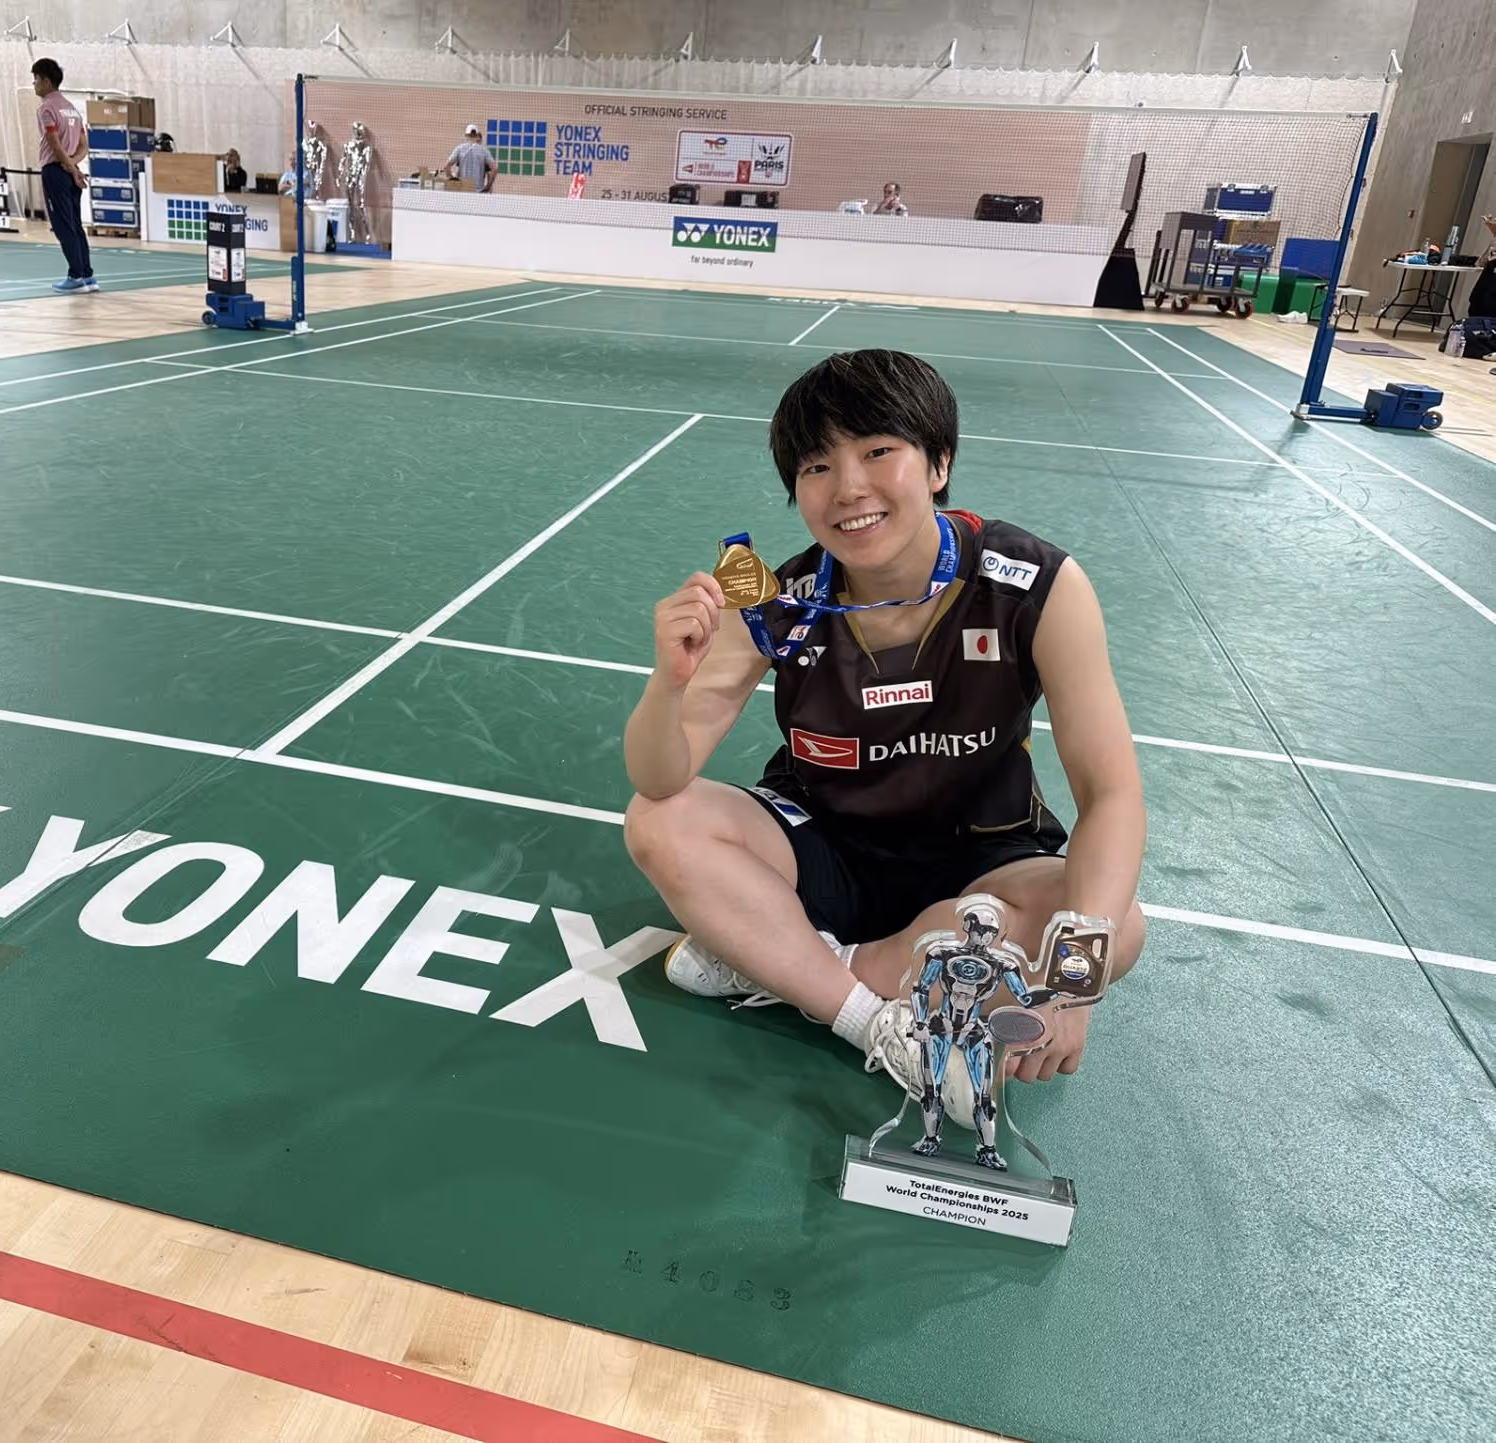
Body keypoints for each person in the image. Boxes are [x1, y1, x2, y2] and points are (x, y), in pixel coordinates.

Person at [623, 350, 1147, 1119]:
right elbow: (658, 777)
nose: (849, 488)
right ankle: (872, 1019)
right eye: (817, 466)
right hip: (823, 849)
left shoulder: (1036, 586)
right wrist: (667, 684)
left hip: (981, 866)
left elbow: (1112, 793)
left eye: (877, 451)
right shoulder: (779, 601)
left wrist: (1075, 981)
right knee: (659, 821)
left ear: (939, 462)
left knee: (1119, 928)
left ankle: (778, 958)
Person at [29, 58, 95, 293]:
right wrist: (74, 166)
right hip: (70, 171)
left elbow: (55, 144)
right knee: (75, 224)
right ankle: (88, 276)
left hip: (56, 172)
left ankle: (75, 276)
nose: (34, 84)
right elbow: (84, 146)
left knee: (63, 225)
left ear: (47, 81)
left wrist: (68, 167)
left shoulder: (47, 109)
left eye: (36, 79)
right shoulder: (72, 109)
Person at [446, 123, 496, 193]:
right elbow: (494, 169)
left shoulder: (459, 149)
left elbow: (447, 167)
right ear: (477, 135)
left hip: (462, 189)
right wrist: (488, 186)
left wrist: (453, 180)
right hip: (478, 191)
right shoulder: (484, 151)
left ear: (466, 135)